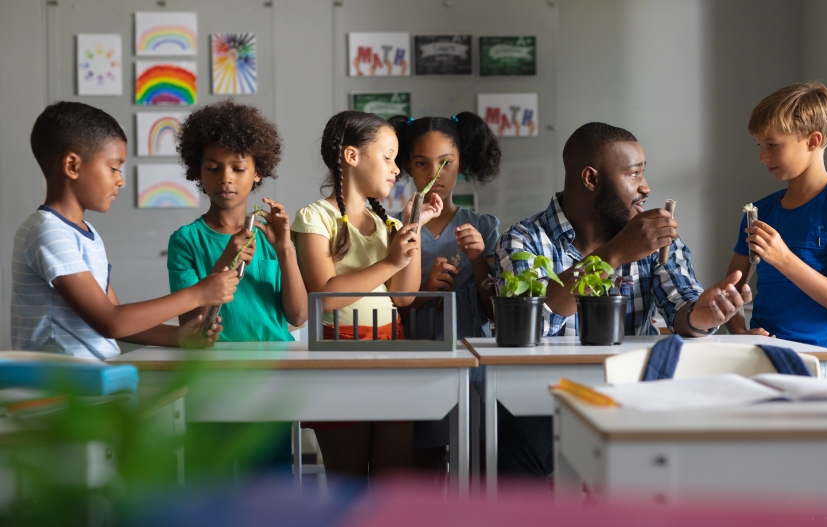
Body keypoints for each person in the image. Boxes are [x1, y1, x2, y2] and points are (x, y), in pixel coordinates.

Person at [495, 121, 752, 478]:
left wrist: (703, 315)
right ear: (590, 178)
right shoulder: (523, 241)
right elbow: (532, 321)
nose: (645, 188)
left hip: (631, 402)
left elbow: (683, 305)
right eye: (633, 175)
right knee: (516, 443)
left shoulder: (652, 238)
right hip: (544, 403)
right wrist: (613, 254)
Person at [11, 101, 236, 360]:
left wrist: (179, 336)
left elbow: (116, 318)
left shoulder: (85, 233)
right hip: (59, 392)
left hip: (93, 383)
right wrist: (199, 293)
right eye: (113, 168)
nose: (121, 180)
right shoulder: (48, 233)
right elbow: (111, 322)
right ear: (72, 166)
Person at [291, 110, 441, 478]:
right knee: (349, 482)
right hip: (337, 355)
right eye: (388, 157)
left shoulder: (387, 224)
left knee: (393, 480)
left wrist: (412, 229)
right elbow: (324, 296)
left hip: (392, 349)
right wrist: (390, 262)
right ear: (352, 156)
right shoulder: (314, 218)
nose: (396, 169)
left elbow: (404, 297)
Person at [725, 82, 827, 377]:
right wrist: (739, 332)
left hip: (821, 366)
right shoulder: (759, 212)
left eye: (773, 145)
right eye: (760, 146)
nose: (762, 157)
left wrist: (784, 259)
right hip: (759, 362)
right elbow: (730, 292)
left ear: (813, 141)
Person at [387, 112, 502, 474]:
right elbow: (388, 309)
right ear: (407, 165)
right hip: (416, 360)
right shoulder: (393, 226)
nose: (434, 175)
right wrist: (424, 291)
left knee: (481, 457)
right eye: (421, 163)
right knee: (424, 462)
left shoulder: (485, 226)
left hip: (475, 359)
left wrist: (479, 259)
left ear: (461, 163)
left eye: (445, 163)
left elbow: (496, 312)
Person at [168, 100, 307, 341]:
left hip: (277, 364)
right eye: (213, 168)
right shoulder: (186, 240)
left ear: (257, 172)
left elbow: (299, 316)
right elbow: (192, 325)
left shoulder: (273, 238)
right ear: (198, 171)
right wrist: (226, 260)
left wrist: (285, 250)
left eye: (238, 169)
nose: (225, 178)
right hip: (218, 366)